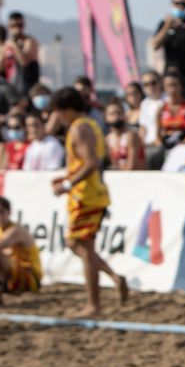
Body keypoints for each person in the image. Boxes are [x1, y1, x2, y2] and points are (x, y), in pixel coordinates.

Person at [46, 87, 128, 316]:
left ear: (68, 109)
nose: (57, 118)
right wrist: (67, 178)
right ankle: (112, 277)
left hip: (86, 196)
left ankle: (94, 303)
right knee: (79, 245)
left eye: (58, 112)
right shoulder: (89, 124)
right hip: (88, 194)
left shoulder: (80, 127)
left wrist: (68, 184)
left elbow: (91, 162)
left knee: (81, 245)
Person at [0, 196, 42, 305]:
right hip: (12, 277)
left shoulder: (15, 230)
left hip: (31, 278)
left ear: (9, 212)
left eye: (2, 212)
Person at [0, 11, 40, 95]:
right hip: (11, 86)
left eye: (20, 26)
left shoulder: (29, 41)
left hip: (27, 87)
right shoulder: (6, 45)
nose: (17, 29)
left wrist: (14, 45)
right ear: (9, 27)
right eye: (13, 26)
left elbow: (24, 62)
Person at [158, 72, 185, 148]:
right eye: (169, 85)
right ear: (164, 88)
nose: (172, 89)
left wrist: (181, 145)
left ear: (181, 86)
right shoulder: (161, 108)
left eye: (175, 85)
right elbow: (158, 134)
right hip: (167, 144)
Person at [103, 99, 146, 170]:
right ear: (105, 117)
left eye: (119, 113)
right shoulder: (107, 140)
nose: (116, 116)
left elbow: (131, 167)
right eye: (112, 114)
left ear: (124, 114)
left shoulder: (131, 136)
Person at [138, 71, 164, 147]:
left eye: (153, 83)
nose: (150, 86)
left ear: (160, 82)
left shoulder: (168, 100)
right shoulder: (144, 103)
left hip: (163, 144)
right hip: (148, 145)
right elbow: (143, 127)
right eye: (146, 84)